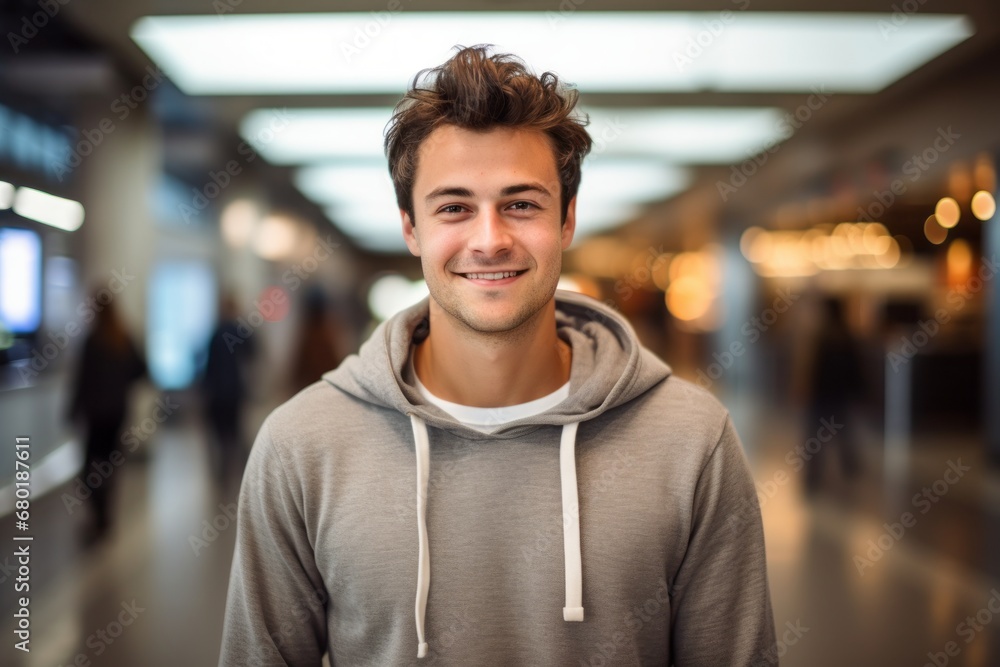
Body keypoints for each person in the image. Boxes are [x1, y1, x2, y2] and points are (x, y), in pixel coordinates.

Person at [220, 45, 775, 665]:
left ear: (566, 221)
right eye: (454, 207)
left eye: (521, 204)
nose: (490, 240)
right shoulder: (302, 445)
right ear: (411, 228)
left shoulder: (691, 440)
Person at [67, 296, 146, 542]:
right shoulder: (122, 339)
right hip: (117, 413)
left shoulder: (93, 341)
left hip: (96, 415)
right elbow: (142, 370)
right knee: (109, 466)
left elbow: (81, 381)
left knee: (91, 466)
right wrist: (121, 385)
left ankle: (99, 515)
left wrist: (73, 410)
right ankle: (105, 516)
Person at [202, 293, 255, 484]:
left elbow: (208, 366)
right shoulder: (240, 331)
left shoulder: (216, 333)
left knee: (221, 434)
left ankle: (225, 471)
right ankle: (242, 470)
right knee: (235, 431)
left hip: (218, 393)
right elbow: (253, 354)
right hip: (234, 391)